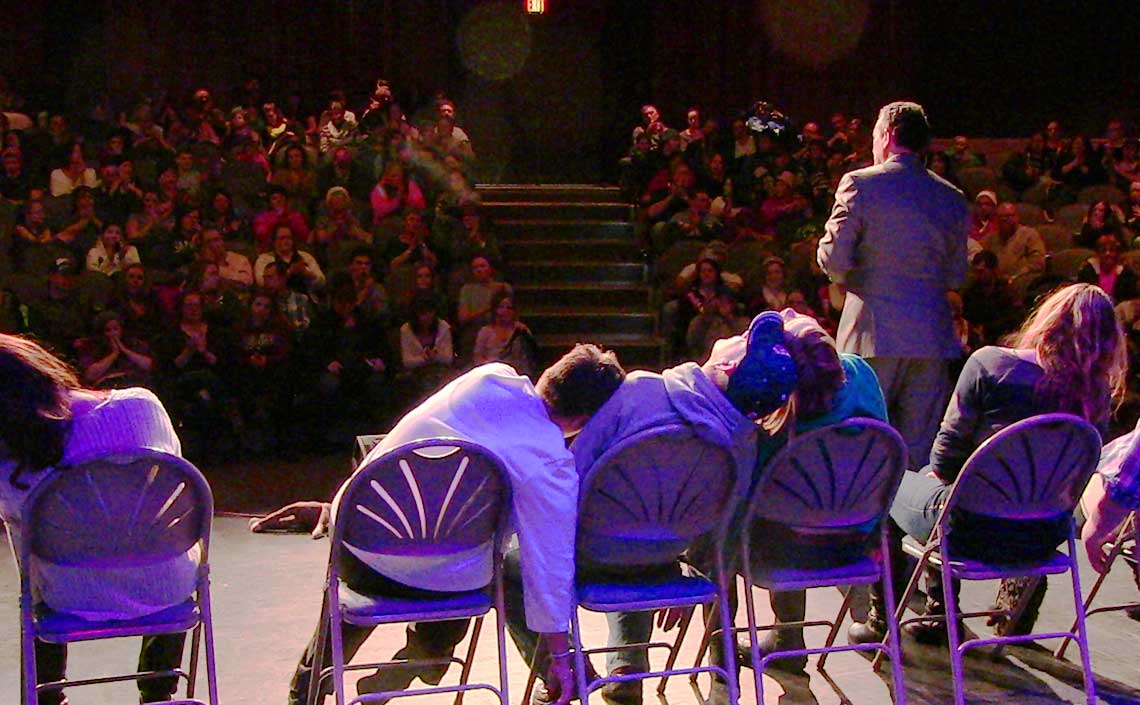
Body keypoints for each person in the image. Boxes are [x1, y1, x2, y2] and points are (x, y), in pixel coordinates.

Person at [287, 344, 627, 705]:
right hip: (447, 579)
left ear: (548, 375)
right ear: (583, 421)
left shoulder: (485, 378)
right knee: (489, 572)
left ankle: (306, 689)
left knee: (353, 605)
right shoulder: (551, 465)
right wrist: (560, 654)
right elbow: (548, 567)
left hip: (360, 549)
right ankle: (410, 671)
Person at [519, 313, 797, 705]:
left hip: (591, 554)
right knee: (639, 530)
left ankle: (564, 673)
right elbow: (724, 525)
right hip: (663, 557)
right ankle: (627, 668)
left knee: (515, 561)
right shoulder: (742, 442)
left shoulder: (637, 391)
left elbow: (572, 478)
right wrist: (696, 575)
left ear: (727, 365)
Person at [848, 284, 1126, 645]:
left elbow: (945, 461)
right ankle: (982, 615)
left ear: (1047, 320)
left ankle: (886, 621)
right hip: (1043, 537)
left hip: (970, 531)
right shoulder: (1096, 395)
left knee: (895, 483)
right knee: (966, 496)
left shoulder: (991, 364)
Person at [0, 334, 195, 704]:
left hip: (71, 596)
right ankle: (159, 691)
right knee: (161, 548)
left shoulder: (13, 464)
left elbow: (20, 531)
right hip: (167, 585)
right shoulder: (143, 406)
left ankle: (47, 695)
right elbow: (171, 480)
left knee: (31, 564)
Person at [817, 100, 969, 470]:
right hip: (931, 340)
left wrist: (845, 277)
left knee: (859, 446)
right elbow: (955, 276)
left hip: (871, 335)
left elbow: (833, 259)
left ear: (886, 136)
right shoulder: (952, 197)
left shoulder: (859, 184)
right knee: (916, 456)